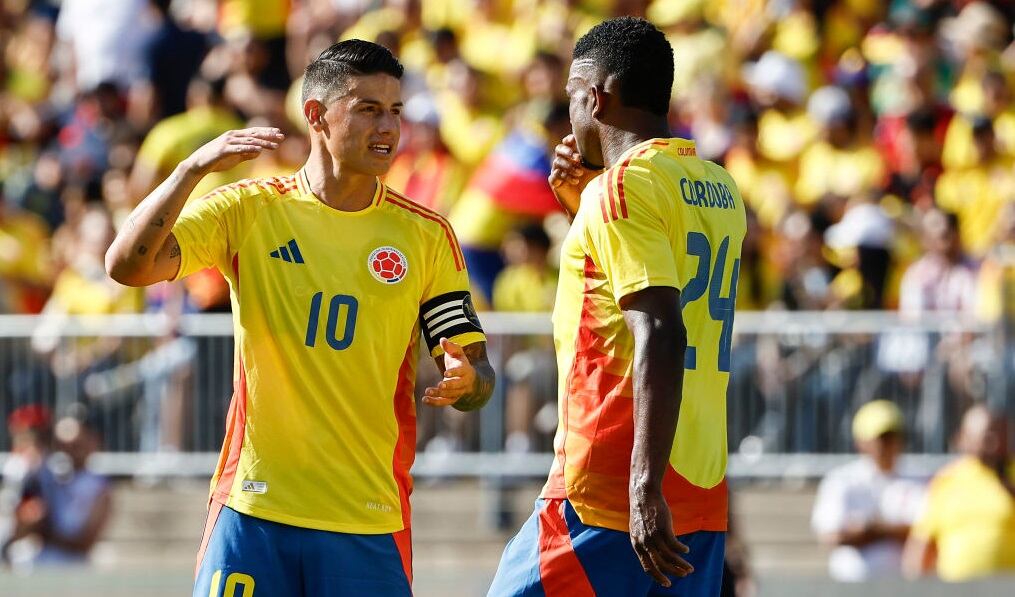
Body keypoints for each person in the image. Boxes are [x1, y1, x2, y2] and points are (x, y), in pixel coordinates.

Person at [105, 40, 495, 596]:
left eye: (395, 111)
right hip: (253, 507)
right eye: (368, 109)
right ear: (315, 114)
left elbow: (478, 372)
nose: (388, 127)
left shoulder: (426, 235)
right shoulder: (247, 208)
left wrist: (468, 381)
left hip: (366, 517)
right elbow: (126, 266)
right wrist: (191, 170)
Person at [489, 17, 747, 596]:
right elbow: (636, 283)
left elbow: (658, 327)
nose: (568, 116)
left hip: (610, 476)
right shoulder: (717, 186)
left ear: (595, 96)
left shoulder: (622, 187)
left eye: (571, 99)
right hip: (700, 478)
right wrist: (582, 207)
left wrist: (641, 486)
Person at [810, 400, 925, 581]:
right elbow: (832, 535)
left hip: (903, 587)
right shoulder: (841, 480)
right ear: (861, 442)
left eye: (890, 437)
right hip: (853, 587)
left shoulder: (920, 478)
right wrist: (893, 531)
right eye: (879, 438)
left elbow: (928, 531)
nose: (885, 444)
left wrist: (871, 530)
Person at [902, 405, 1015, 581]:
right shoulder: (947, 480)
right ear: (965, 437)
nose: (994, 442)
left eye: (998, 433)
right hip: (956, 589)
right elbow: (923, 540)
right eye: (986, 435)